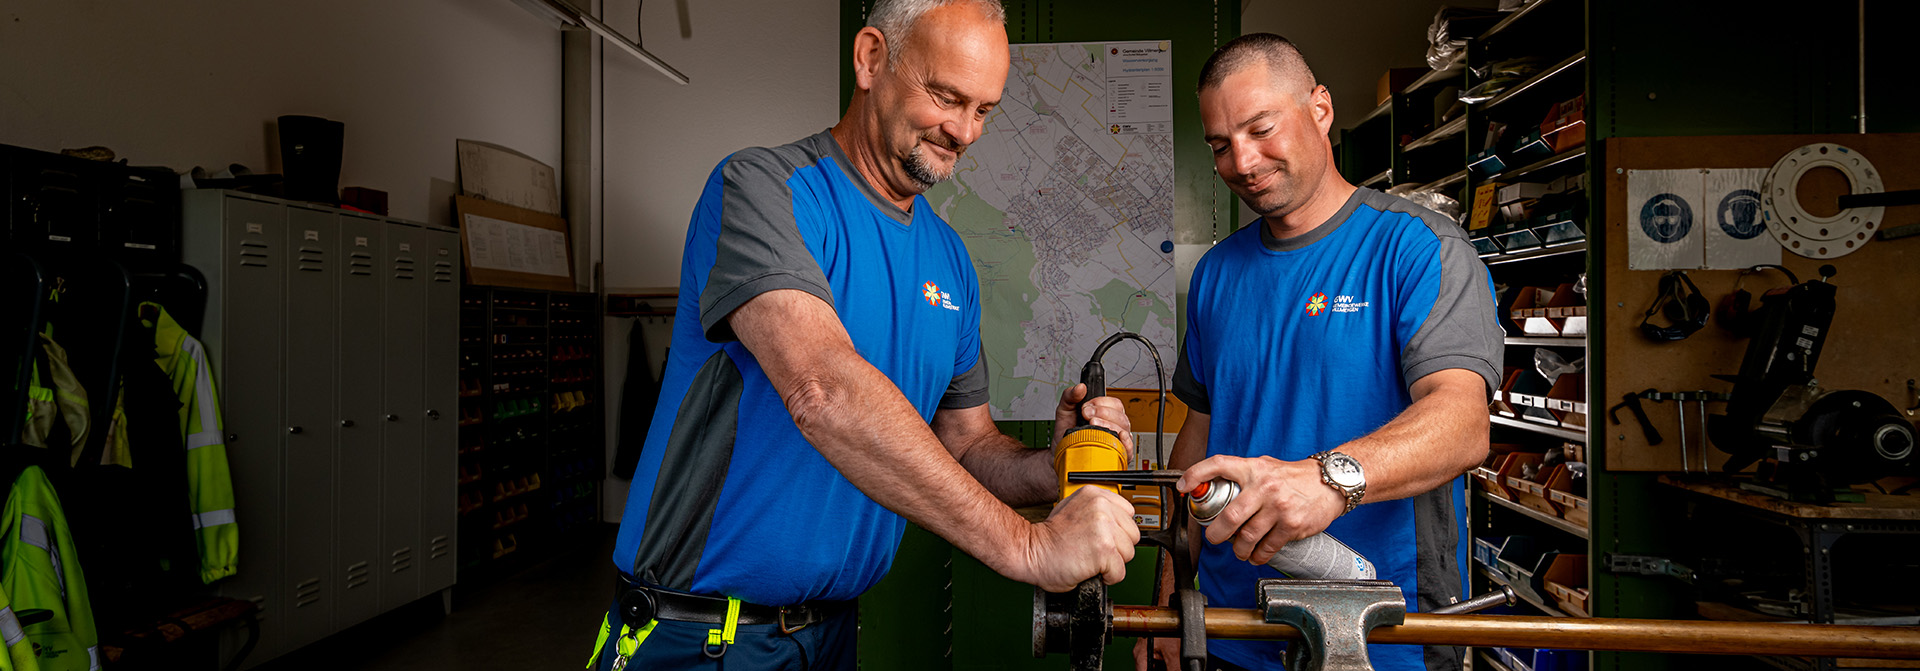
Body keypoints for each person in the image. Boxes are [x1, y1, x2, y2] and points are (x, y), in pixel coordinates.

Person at [585, 1, 1143, 669]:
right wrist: (1030, 548)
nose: (964, 130)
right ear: (871, 58)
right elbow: (822, 387)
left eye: (984, 110)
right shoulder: (765, 190)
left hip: (831, 633)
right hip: (702, 633)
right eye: (946, 97)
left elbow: (966, 441)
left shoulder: (948, 259)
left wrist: (1053, 465)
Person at [1135, 33, 1503, 671]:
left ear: (1321, 109)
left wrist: (1330, 480)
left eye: (1260, 129)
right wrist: (1173, 604)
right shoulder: (1216, 274)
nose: (1243, 163)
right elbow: (1198, 442)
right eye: (1221, 145)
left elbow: (1463, 423)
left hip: (1385, 636)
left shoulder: (1418, 249)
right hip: (1230, 633)